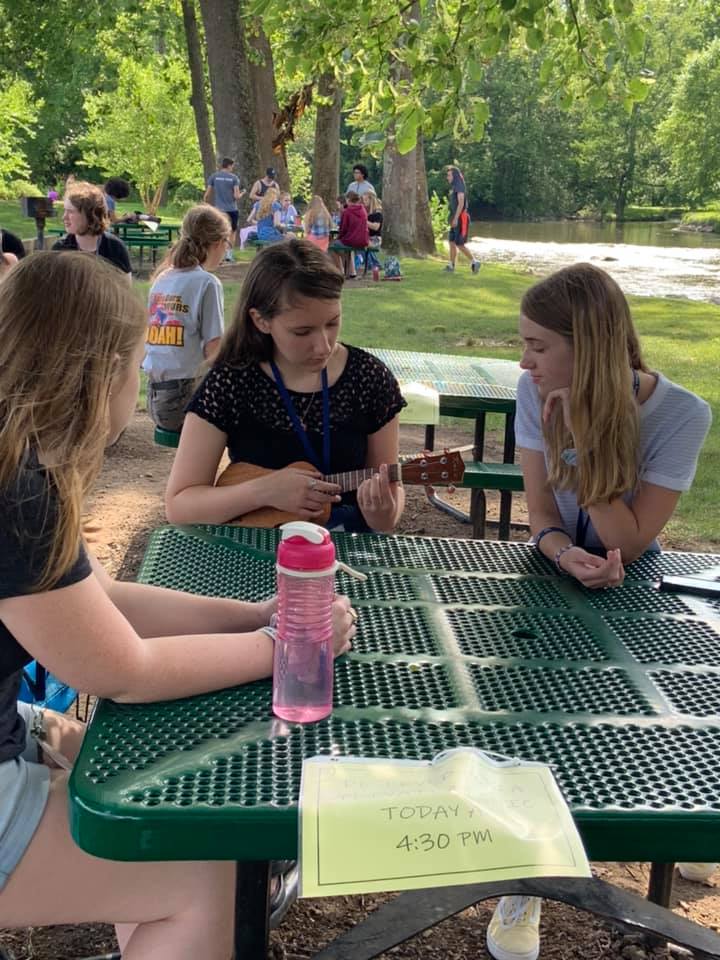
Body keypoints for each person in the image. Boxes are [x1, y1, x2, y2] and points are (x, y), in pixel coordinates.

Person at [0, 249, 359, 958]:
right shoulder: (19, 495)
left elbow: (106, 601)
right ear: (99, 370)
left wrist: (254, 615)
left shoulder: (19, 467)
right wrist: (286, 647)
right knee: (210, 881)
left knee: (150, 795)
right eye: (134, 363)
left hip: (11, 727)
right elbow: (123, 671)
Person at [485, 262, 712, 960]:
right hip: (549, 577)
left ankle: (666, 843)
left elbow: (627, 538)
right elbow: (543, 517)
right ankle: (522, 878)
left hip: (638, 592)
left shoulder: (682, 414)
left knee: (628, 724)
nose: (525, 361)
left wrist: (578, 440)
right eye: (524, 345)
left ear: (591, 346)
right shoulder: (533, 390)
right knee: (528, 709)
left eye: (539, 345)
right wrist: (560, 554)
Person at [165, 238, 407, 534]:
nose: (323, 346)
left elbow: (388, 503)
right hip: (254, 550)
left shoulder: (369, 379)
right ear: (261, 320)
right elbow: (179, 505)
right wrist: (264, 491)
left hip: (347, 555)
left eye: (332, 323)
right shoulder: (232, 380)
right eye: (302, 331)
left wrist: (383, 515)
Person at [143, 204, 229, 433]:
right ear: (219, 243)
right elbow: (214, 350)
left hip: (155, 396)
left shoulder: (163, 277)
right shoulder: (207, 283)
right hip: (181, 400)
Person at [52, 181, 131, 279]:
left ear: (90, 215)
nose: (64, 217)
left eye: (71, 212)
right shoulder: (60, 249)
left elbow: (126, 289)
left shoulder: (115, 248)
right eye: (65, 210)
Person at [204, 157, 245, 262]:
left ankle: (218, 255)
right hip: (232, 209)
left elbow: (207, 194)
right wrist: (242, 193)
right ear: (229, 166)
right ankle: (229, 255)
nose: (232, 168)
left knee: (220, 231)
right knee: (232, 232)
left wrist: (206, 204)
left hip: (219, 210)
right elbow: (236, 196)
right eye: (232, 166)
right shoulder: (234, 178)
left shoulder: (214, 176)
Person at [445, 164, 480, 275]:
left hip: (461, 218)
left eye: (449, 175)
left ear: (454, 176)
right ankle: (451, 265)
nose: (448, 177)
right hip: (455, 218)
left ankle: (475, 262)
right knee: (451, 241)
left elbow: (461, 203)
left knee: (459, 243)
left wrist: (455, 218)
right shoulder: (455, 186)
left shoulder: (460, 186)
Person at [330, 192, 369, 279]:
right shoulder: (363, 210)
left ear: (348, 200)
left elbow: (343, 230)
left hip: (351, 241)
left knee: (332, 246)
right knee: (347, 249)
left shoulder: (347, 212)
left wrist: (338, 238)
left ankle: (340, 270)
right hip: (364, 240)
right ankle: (351, 271)